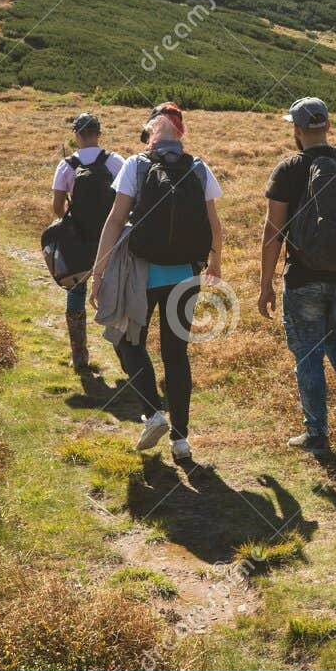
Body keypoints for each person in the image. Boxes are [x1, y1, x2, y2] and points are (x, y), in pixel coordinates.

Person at [90, 103, 223, 461]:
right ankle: (180, 442)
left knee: (126, 339)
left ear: (149, 133)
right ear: (181, 134)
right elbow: (214, 225)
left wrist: (98, 273)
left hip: (141, 274)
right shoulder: (198, 167)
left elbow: (115, 221)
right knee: (176, 355)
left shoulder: (136, 164)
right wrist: (216, 263)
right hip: (185, 276)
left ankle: (153, 412)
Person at [258, 97, 336, 456]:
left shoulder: (288, 169)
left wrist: (265, 285)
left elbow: (272, 233)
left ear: (296, 130)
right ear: (326, 126)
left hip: (304, 277)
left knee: (308, 353)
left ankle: (317, 435)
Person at [51, 113, 124, 387]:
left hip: (78, 242)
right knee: (113, 293)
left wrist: (71, 212)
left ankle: (80, 357)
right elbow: (130, 200)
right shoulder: (116, 162)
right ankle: (125, 354)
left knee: (76, 292)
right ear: (99, 133)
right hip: (112, 241)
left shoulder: (66, 166)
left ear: (76, 135)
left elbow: (57, 208)